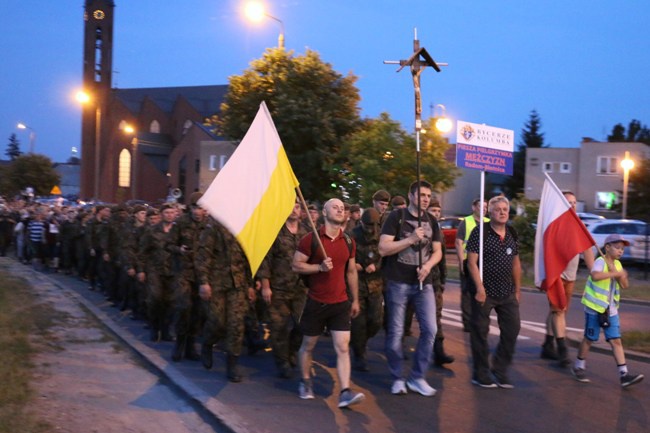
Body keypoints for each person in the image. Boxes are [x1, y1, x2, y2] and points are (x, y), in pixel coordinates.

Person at [292, 198, 365, 408]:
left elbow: (351, 271)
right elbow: (296, 265)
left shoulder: (349, 241)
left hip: (340, 302)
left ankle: (345, 391)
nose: (340, 209)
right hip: (316, 302)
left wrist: (355, 299)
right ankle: (305, 381)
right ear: (324, 212)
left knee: (343, 347)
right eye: (335, 206)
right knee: (308, 345)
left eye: (342, 208)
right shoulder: (310, 239)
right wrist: (318, 268)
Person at [378, 180, 442, 397]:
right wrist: (411, 238)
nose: (425, 199)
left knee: (430, 329)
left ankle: (417, 377)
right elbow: (383, 248)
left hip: (424, 283)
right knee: (396, 333)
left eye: (428, 195)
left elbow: (438, 252)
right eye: (421, 195)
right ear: (411, 195)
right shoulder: (397, 217)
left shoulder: (432, 220)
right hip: (398, 282)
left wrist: (428, 266)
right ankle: (397, 377)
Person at [571, 234, 644, 388]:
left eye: (622, 249)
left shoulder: (617, 265)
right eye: (617, 247)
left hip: (611, 309)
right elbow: (595, 275)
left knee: (616, 340)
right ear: (607, 247)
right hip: (595, 308)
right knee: (590, 339)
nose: (620, 251)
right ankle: (579, 365)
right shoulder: (600, 261)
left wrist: (620, 275)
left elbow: (624, 285)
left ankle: (624, 374)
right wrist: (615, 273)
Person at [466, 196, 521, 389]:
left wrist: (518, 289)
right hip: (484, 292)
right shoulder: (480, 232)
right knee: (480, 332)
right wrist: (479, 288)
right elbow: (471, 262)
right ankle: (480, 373)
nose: (503, 212)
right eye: (498, 209)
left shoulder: (512, 232)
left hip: (507, 291)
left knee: (512, 329)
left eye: (505, 209)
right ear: (490, 212)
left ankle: (500, 369)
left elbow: (515, 262)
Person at [196, 217, 254, 383]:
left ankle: (232, 365)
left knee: (236, 325)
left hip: (238, 285)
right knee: (217, 321)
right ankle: (207, 343)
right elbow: (203, 256)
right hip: (217, 283)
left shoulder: (245, 227)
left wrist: (249, 284)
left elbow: (248, 258)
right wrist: (204, 281)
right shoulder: (213, 227)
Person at [540, 191, 595, 366]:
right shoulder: (554, 224)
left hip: (570, 278)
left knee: (558, 311)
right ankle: (562, 350)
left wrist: (595, 272)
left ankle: (548, 344)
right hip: (556, 276)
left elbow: (586, 248)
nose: (571, 205)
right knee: (558, 310)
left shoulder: (578, 225)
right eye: (568, 202)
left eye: (574, 202)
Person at [257, 200, 308, 378]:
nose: (294, 210)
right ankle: (282, 362)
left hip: (300, 287)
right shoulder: (275, 232)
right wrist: (265, 285)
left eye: (297, 207)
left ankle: (292, 351)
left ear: (301, 211)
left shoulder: (306, 233)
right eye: (290, 206)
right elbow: (265, 260)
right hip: (278, 288)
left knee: (303, 324)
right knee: (279, 327)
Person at [169, 192, 207, 362]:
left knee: (197, 311)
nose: (198, 211)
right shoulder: (181, 223)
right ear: (190, 208)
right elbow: (168, 244)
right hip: (183, 272)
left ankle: (191, 345)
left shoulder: (210, 225)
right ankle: (179, 344)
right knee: (183, 307)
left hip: (202, 274)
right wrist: (179, 250)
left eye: (201, 208)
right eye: (195, 208)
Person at [350, 207, 384, 372]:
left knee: (376, 320)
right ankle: (359, 354)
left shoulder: (380, 235)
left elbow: (385, 255)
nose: (370, 229)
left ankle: (360, 341)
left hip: (375, 284)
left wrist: (376, 265)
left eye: (373, 226)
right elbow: (343, 257)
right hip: (357, 285)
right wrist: (352, 264)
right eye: (367, 225)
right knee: (358, 323)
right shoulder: (353, 235)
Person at [427, 201, 454, 366]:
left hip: (434, 280)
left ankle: (438, 351)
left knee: (436, 316)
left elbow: (442, 258)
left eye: (438, 210)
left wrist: (443, 279)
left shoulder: (439, 232)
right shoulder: (419, 228)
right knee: (404, 318)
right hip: (414, 280)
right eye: (433, 210)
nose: (436, 213)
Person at [455, 198, 489, 332]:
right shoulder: (467, 222)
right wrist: (460, 261)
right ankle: (468, 322)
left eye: (486, 207)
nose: (484, 209)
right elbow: (458, 242)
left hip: (484, 263)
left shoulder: (489, 222)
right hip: (467, 262)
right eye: (481, 206)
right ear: (473, 207)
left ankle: (479, 319)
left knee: (483, 291)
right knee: (467, 293)